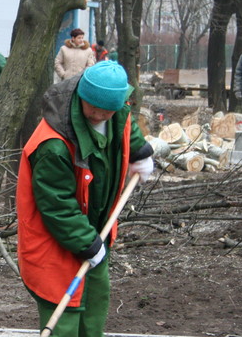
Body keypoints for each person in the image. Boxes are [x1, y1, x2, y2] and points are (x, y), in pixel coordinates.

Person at [16, 60, 154, 336]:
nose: (100, 115)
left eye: (107, 111)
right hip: (55, 241)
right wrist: (86, 242)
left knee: (94, 302)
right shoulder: (52, 145)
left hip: (96, 230)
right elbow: (57, 206)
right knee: (64, 314)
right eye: (94, 108)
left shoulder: (114, 112)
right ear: (82, 95)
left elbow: (124, 123)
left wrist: (140, 151)